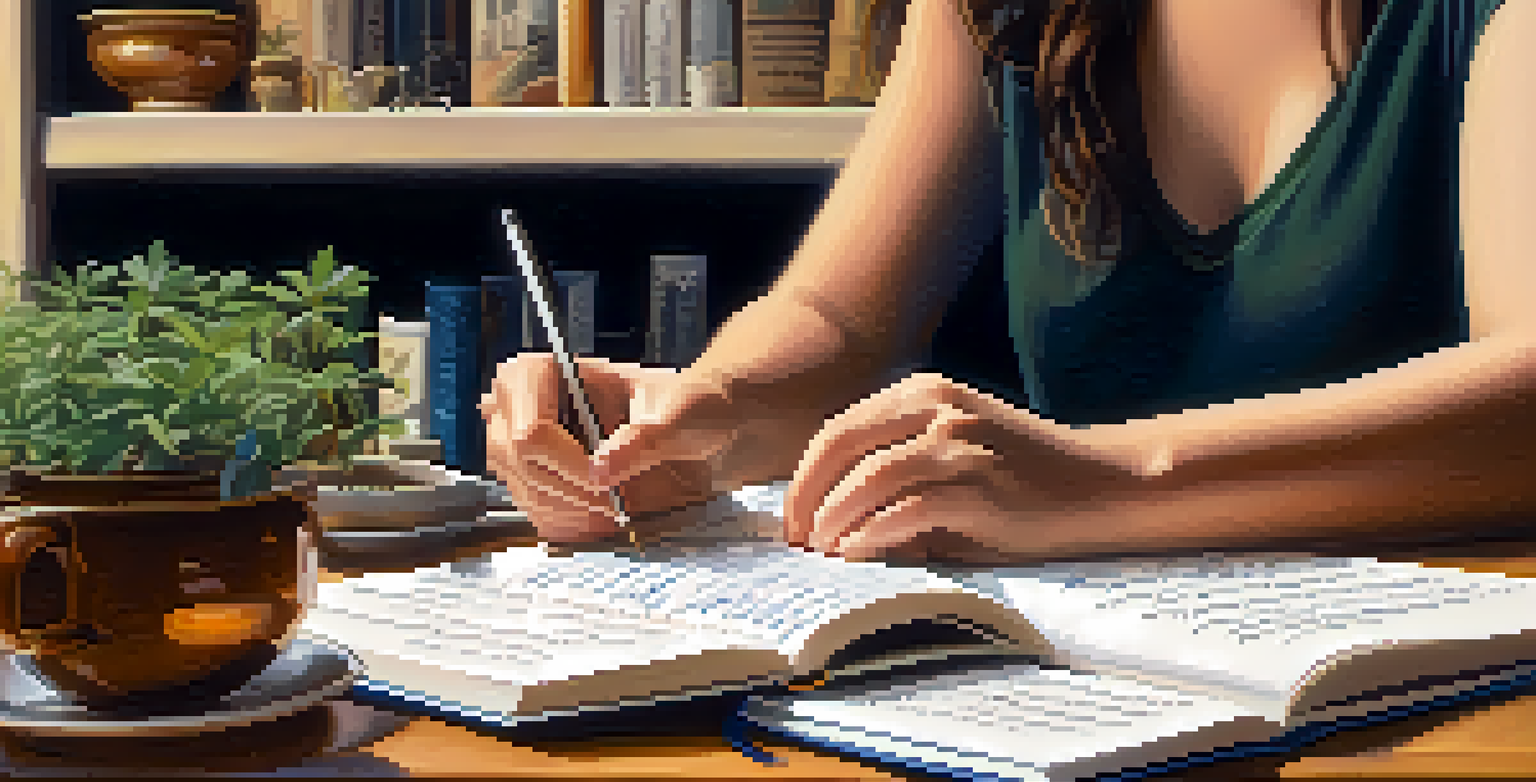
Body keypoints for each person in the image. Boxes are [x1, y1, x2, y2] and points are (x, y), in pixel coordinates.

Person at [481, 0, 1536, 564]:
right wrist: (704, 410)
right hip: (1087, 702)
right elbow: (836, 317)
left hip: (1427, 723)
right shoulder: (1005, 10)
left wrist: (1100, 483)